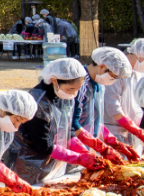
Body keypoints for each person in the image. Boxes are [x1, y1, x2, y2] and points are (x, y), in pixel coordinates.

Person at [7, 57, 96, 185]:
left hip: (52, 161)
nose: (74, 93)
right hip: (28, 162)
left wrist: (84, 152)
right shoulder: (38, 102)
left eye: (78, 89)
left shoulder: (63, 95)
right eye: (71, 89)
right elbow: (43, 144)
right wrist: (78, 158)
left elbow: (67, 129)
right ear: (54, 81)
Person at [103, 38, 144, 149]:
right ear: (141, 54)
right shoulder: (115, 71)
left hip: (130, 132)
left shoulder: (138, 75)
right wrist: (133, 128)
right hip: (112, 132)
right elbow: (112, 106)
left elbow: (137, 107)